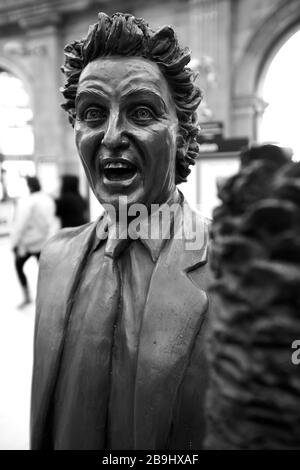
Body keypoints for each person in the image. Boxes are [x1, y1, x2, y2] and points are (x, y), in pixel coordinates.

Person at [30, 12, 212, 450]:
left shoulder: (244, 269)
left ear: (183, 136)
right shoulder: (54, 259)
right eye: (92, 113)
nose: (112, 135)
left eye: (141, 111)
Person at [11, 176, 56, 307]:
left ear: (29, 186)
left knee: (19, 266)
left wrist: (14, 243)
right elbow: (51, 221)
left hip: (29, 243)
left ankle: (27, 297)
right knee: (45, 272)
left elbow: (20, 225)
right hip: (45, 242)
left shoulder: (27, 202)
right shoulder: (48, 199)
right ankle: (48, 298)